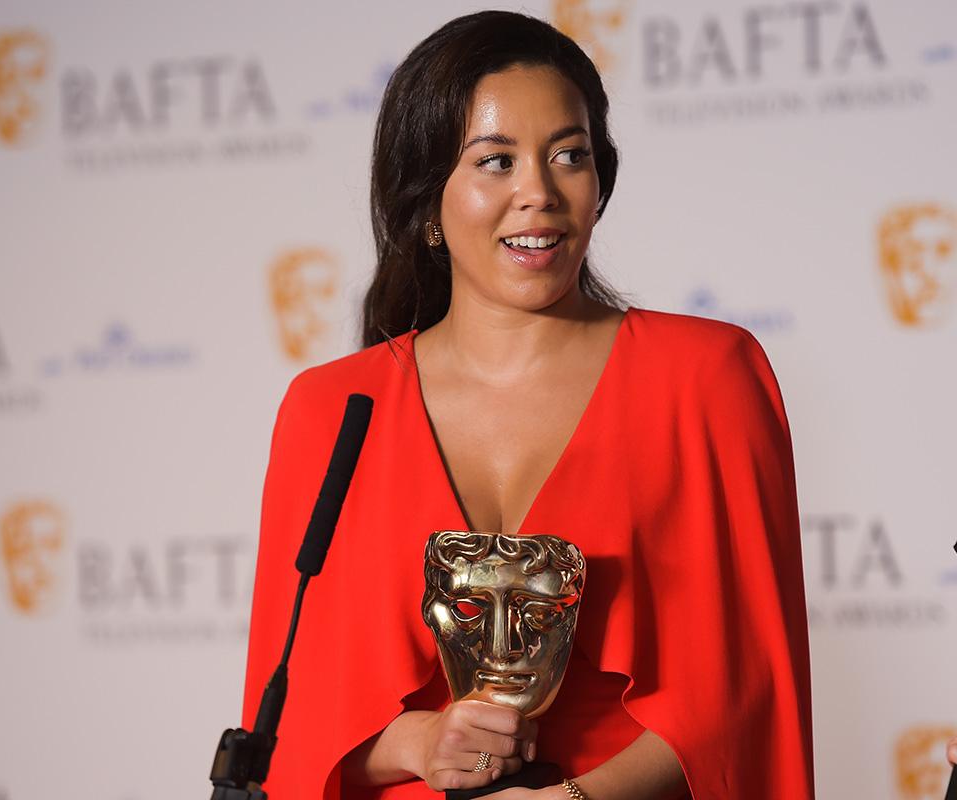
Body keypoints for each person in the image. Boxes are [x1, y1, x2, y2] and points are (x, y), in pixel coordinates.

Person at [242, 11, 814, 800]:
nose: (538, 194)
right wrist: (417, 739)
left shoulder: (708, 376)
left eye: (569, 156)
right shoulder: (333, 409)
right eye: (496, 161)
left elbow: (753, 697)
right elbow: (280, 740)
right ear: (426, 198)